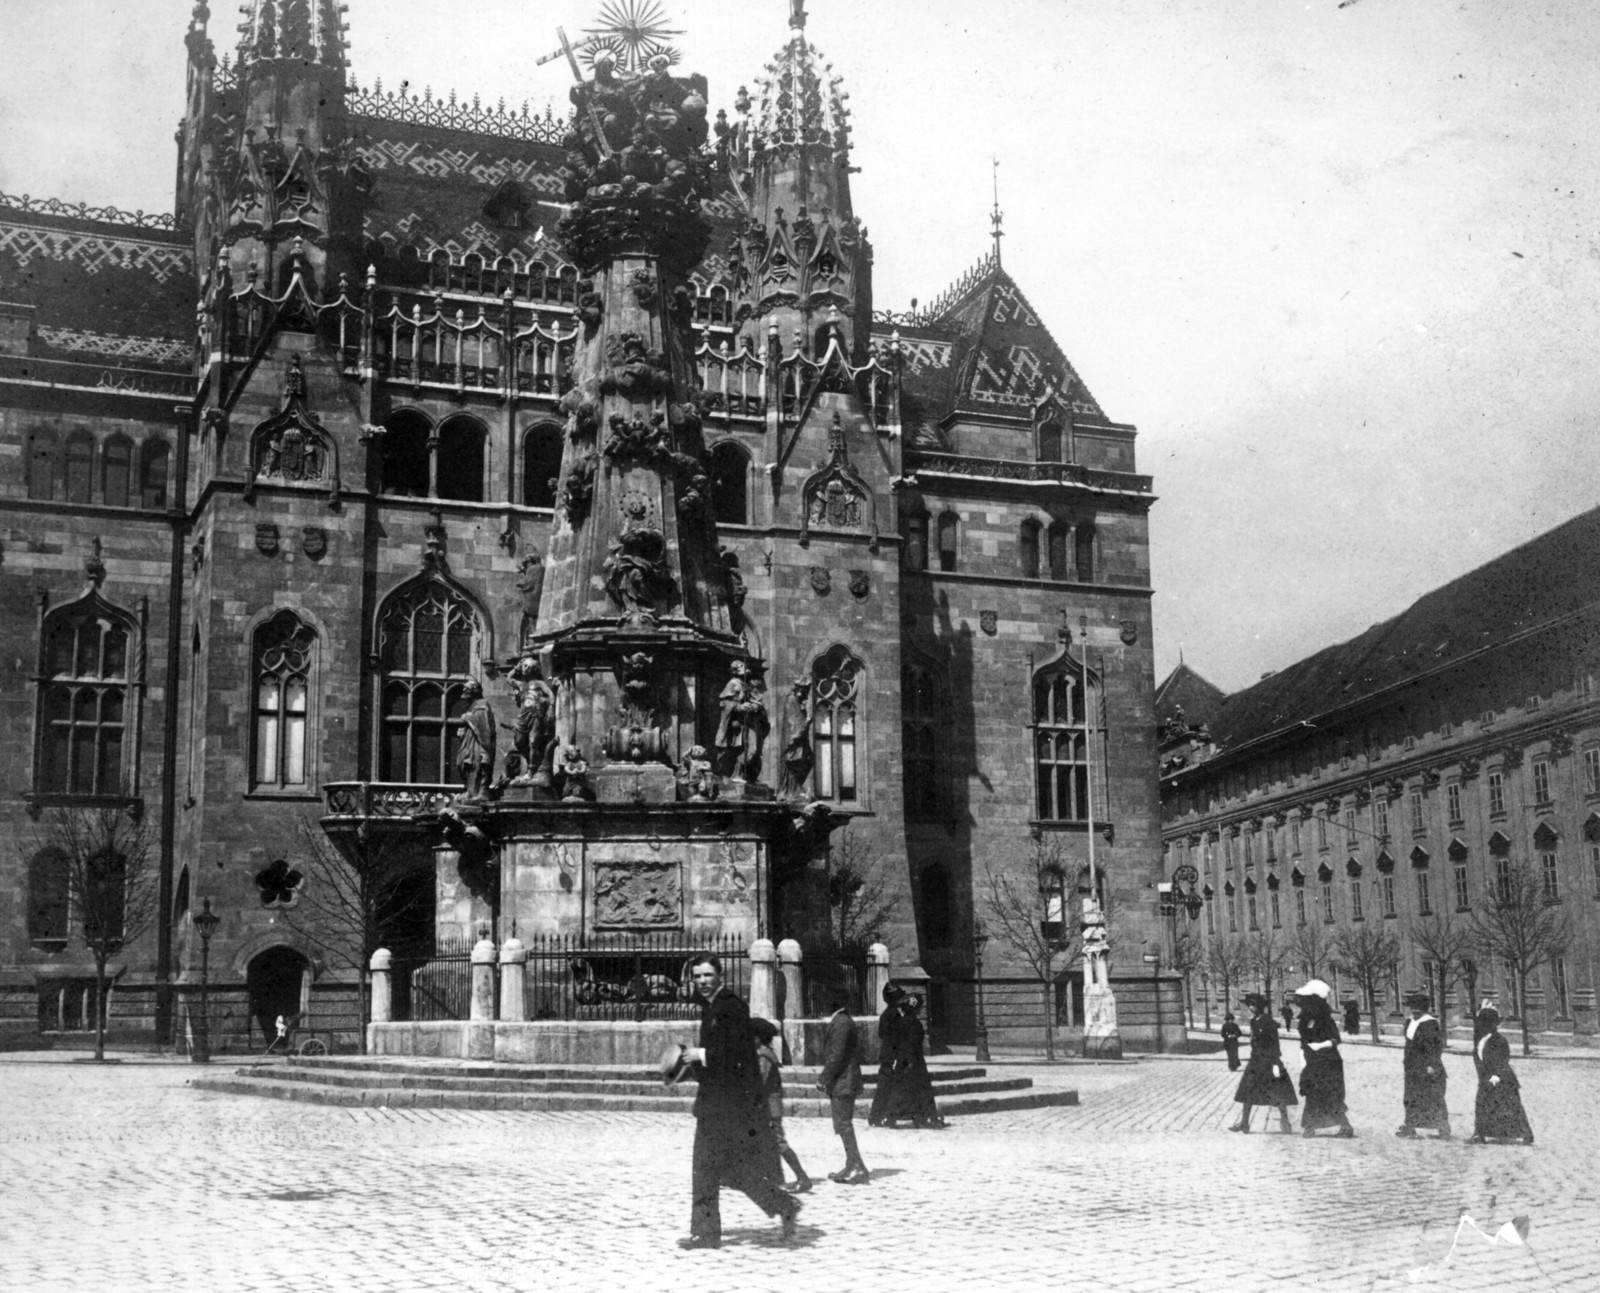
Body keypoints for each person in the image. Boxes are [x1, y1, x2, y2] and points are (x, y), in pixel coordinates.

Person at [678, 955, 801, 1250]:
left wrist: (701, 1055)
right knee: (727, 1168)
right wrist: (691, 1065)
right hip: (716, 1102)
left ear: (720, 976)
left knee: (706, 1167)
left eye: (708, 975)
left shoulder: (731, 1006)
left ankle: (706, 1233)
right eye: (697, 977)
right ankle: (783, 1205)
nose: (703, 982)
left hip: (727, 1106)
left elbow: (736, 1057)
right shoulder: (712, 1007)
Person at [815, 986, 870, 1184]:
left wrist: (823, 1079)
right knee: (842, 1124)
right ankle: (852, 1164)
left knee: (844, 1124)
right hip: (843, 1080)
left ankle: (857, 1166)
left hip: (844, 1081)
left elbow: (836, 1056)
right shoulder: (842, 1020)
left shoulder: (841, 1022)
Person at [750, 1017, 811, 1193]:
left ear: (758, 1037)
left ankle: (802, 1177)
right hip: (765, 1106)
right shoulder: (759, 1054)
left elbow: (758, 1084)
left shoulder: (764, 1057)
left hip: (769, 1108)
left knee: (779, 1143)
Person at [1229, 993, 1297, 1134]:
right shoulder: (1254, 1020)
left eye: (1254, 1005)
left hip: (1269, 1061)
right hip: (1256, 1061)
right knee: (1247, 1090)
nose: (1251, 1008)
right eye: (1250, 1005)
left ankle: (1285, 1122)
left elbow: (1274, 1043)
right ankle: (1244, 1123)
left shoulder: (1267, 1021)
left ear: (1260, 1007)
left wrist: (1276, 1062)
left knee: (1277, 1091)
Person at [1295, 979, 1355, 1138]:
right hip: (1312, 1061)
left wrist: (1320, 1045)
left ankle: (1345, 1126)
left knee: (1330, 1094)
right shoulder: (1303, 1022)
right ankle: (1310, 1126)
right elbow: (1303, 1042)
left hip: (1329, 1061)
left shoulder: (1325, 1020)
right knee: (1311, 1093)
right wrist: (1303, 1058)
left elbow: (1336, 1039)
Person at [1468, 1003, 1534, 1145]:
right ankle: (1479, 1134)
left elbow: (1503, 1060)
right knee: (1482, 1105)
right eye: (1482, 1022)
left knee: (1512, 1107)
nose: (1483, 1025)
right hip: (1487, 1079)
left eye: (1487, 1022)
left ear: (1493, 1024)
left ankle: (1527, 1134)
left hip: (1503, 1079)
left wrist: (1496, 1076)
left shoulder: (1499, 1040)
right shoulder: (1480, 1040)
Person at [1397, 989, 1451, 1140]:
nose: (1414, 1011)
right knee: (1410, 1098)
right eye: (1412, 1008)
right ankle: (1410, 1126)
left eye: (1417, 1008)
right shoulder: (1410, 1022)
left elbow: (1435, 1046)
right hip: (1412, 1068)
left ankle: (1443, 1128)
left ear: (1424, 1009)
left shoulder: (1430, 1023)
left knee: (1433, 1098)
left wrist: (1432, 1064)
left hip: (1427, 1068)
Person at [868, 984, 908, 1126]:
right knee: (892, 1088)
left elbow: (881, 1034)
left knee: (883, 1088)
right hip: (893, 1055)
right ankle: (887, 1117)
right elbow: (899, 1036)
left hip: (887, 1055)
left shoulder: (885, 1014)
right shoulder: (895, 1015)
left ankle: (876, 1117)